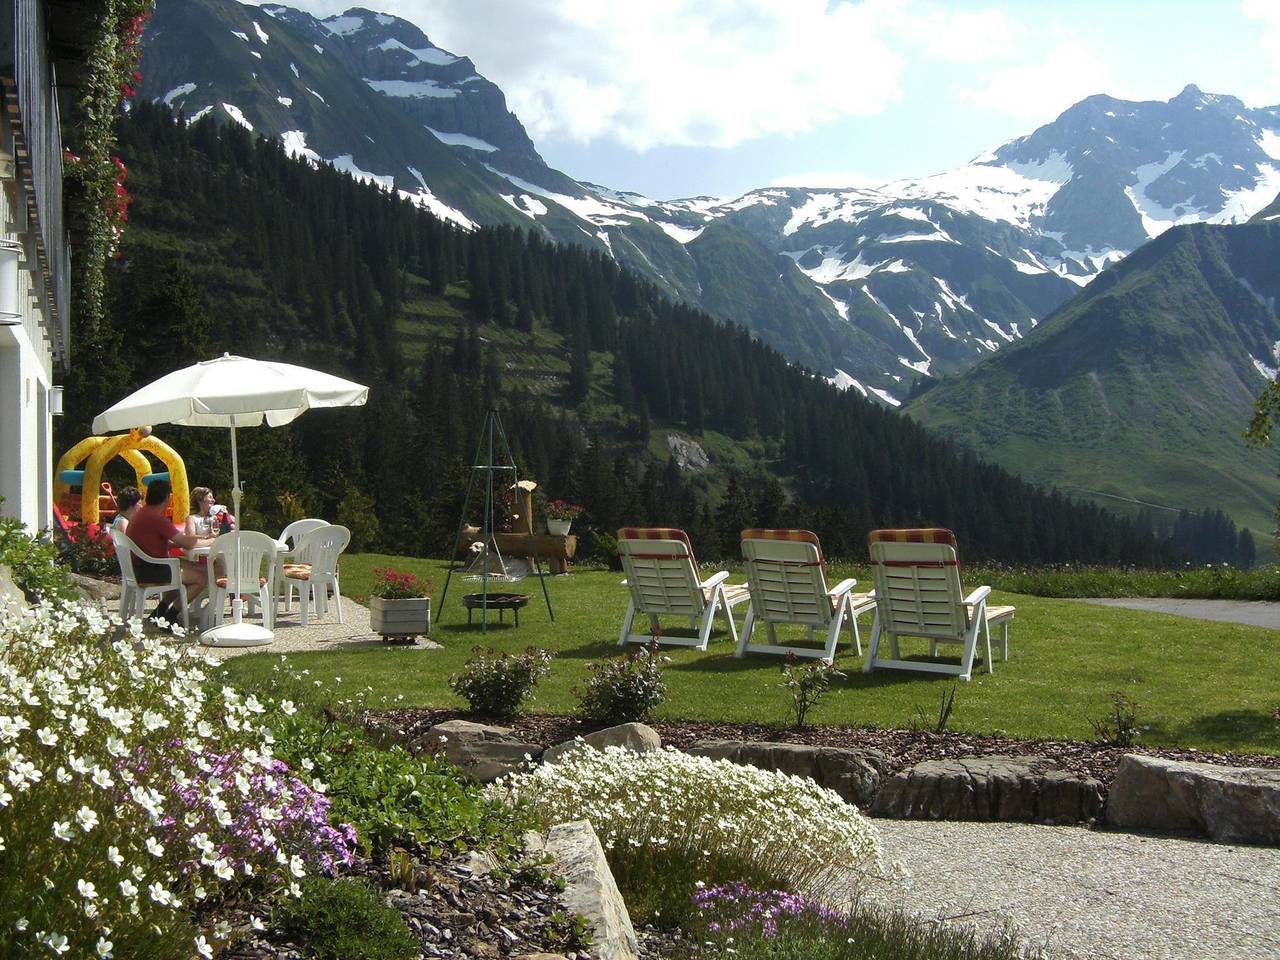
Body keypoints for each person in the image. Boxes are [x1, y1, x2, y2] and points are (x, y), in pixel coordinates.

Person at [125, 478, 215, 621]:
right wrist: (214, 540)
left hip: (142, 567)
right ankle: (170, 617)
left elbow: (151, 542)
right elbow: (189, 544)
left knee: (201, 569)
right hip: (151, 570)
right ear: (167, 498)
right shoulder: (156, 518)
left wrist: (176, 544)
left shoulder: (142, 514)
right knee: (202, 577)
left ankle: (159, 612)